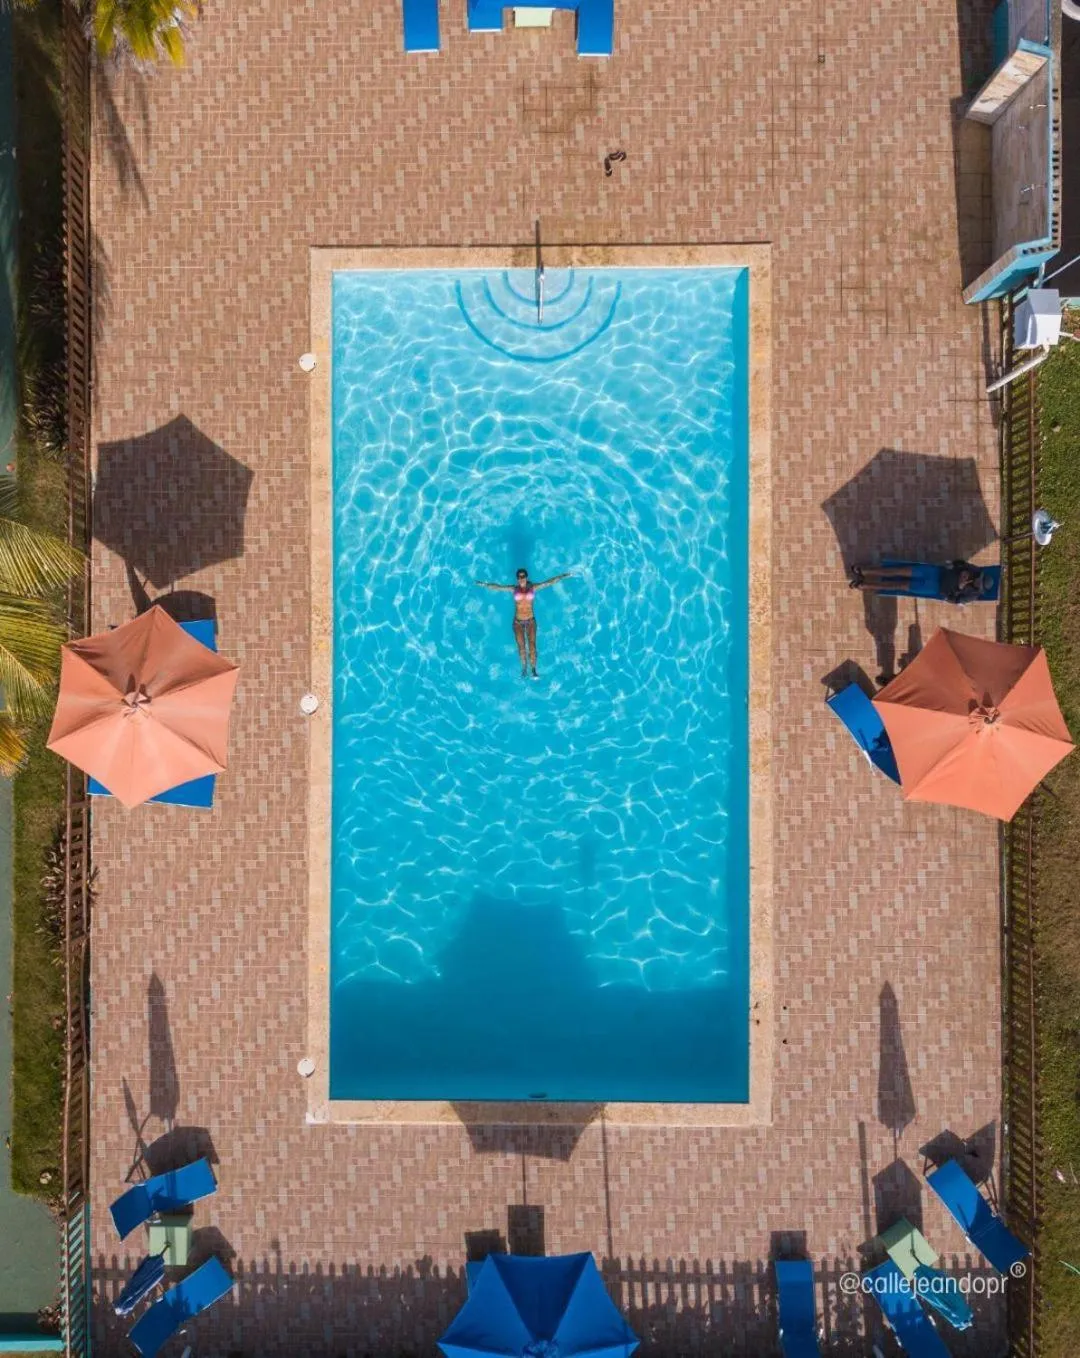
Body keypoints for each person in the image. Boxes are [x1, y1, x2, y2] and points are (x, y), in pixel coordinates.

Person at [475, 567, 572, 677]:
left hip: (531, 621)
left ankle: (534, 670)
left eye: (523, 576)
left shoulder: (533, 587)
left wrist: (563, 576)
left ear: (526, 577)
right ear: (517, 579)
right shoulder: (514, 589)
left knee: (532, 646)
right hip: (518, 622)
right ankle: (524, 669)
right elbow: (498, 587)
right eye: (519, 577)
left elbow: (548, 583)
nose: (521, 578)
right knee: (521, 647)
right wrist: (484, 584)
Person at [849, 560, 988, 604]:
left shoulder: (972, 595)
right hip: (935, 572)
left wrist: (958, 588)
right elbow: (959, 562)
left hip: (934, 587)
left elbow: (955, 600)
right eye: (978, 580)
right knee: (899, 571)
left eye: (978, 584)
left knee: (899, 585)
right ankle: (865, 571)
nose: (976, 582)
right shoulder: (974, 570)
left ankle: (865, 585)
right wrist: (956, 568)